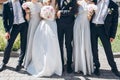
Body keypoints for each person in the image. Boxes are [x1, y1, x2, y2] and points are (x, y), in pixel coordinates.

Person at [24, 0, 62, 77]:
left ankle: (53, 64)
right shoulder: (42, 3)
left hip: (52, 24)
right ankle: (41, 63)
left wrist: (51, 15)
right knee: (41, 44)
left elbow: (56, 15)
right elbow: (40, 15)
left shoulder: (56, 3)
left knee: (52, 44)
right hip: (44, 24)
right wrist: (45, 15)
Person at [90, 0, 120, 77]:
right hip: (93, 27)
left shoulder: (114, 5)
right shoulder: (94, 1)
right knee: (94, 48)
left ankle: (114, 68)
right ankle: (96, 66)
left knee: (108, 49)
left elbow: (115, 22)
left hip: (104, 29)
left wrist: (112, 35)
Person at [0, 0, 28, 71]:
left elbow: (26, 13)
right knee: (9, 45)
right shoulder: (6, 4)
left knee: (23, 44)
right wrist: (7, 31)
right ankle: (4, 62)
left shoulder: (22, 2)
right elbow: (4, 19)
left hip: (24, 25)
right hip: (14, 27)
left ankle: (19, 63)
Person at [73, 0, 97, 75]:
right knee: (78, 44)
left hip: (86, 24)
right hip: (77, 24)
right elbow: (75, 13)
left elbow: (90, 18)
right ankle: (78, 67)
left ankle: (86, 66)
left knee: (86, 44)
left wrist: (90, 13)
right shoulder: (78, 2)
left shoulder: (92, 4)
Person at [56, 0, 78, 73]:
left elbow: (74, 11)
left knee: (68, 45)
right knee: (59, 45)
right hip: (59, 25)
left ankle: (69, 65)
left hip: (69, 25)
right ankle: (61, 64)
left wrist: (62, 12)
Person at [22, 0, 42, 68]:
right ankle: (29, 60)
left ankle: (38, 60)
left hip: (40, 24)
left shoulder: (40, 4)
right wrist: (27, 13)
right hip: (33, 24)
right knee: (31, 41)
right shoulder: (28, 4)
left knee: (38, 42)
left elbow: (41, 15)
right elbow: (27, 19)